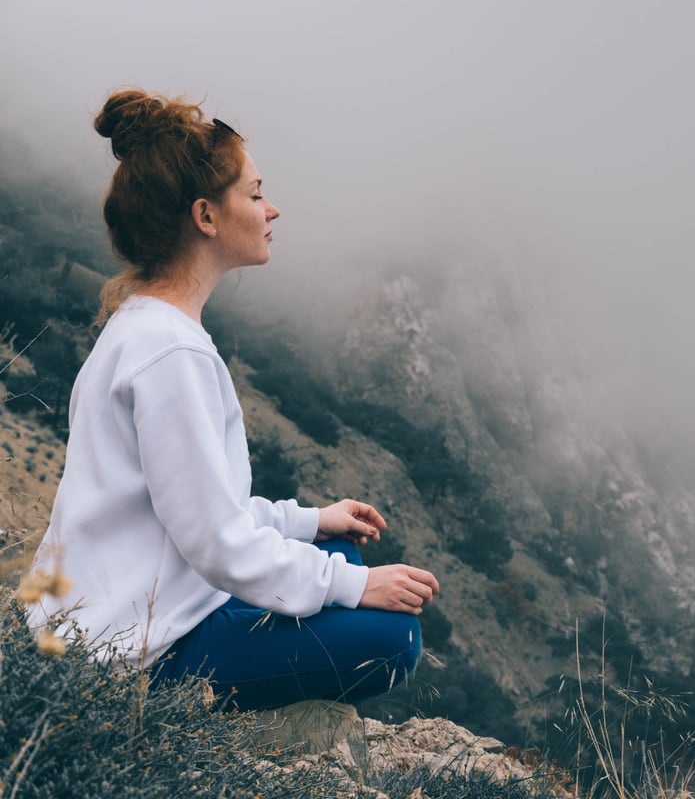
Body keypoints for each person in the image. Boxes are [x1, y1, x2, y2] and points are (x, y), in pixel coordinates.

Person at [24, 88, 440, 711]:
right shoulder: (173, 354)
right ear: (206, 217)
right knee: (393, 637)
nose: (272, 209)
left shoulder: (145, 326)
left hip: (122, 613)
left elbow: (190, 507)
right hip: (129, 658)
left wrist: (309, 521)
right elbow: (214, 540)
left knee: (336, 551)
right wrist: (351, 585)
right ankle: (168, 711)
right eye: (254, 193)